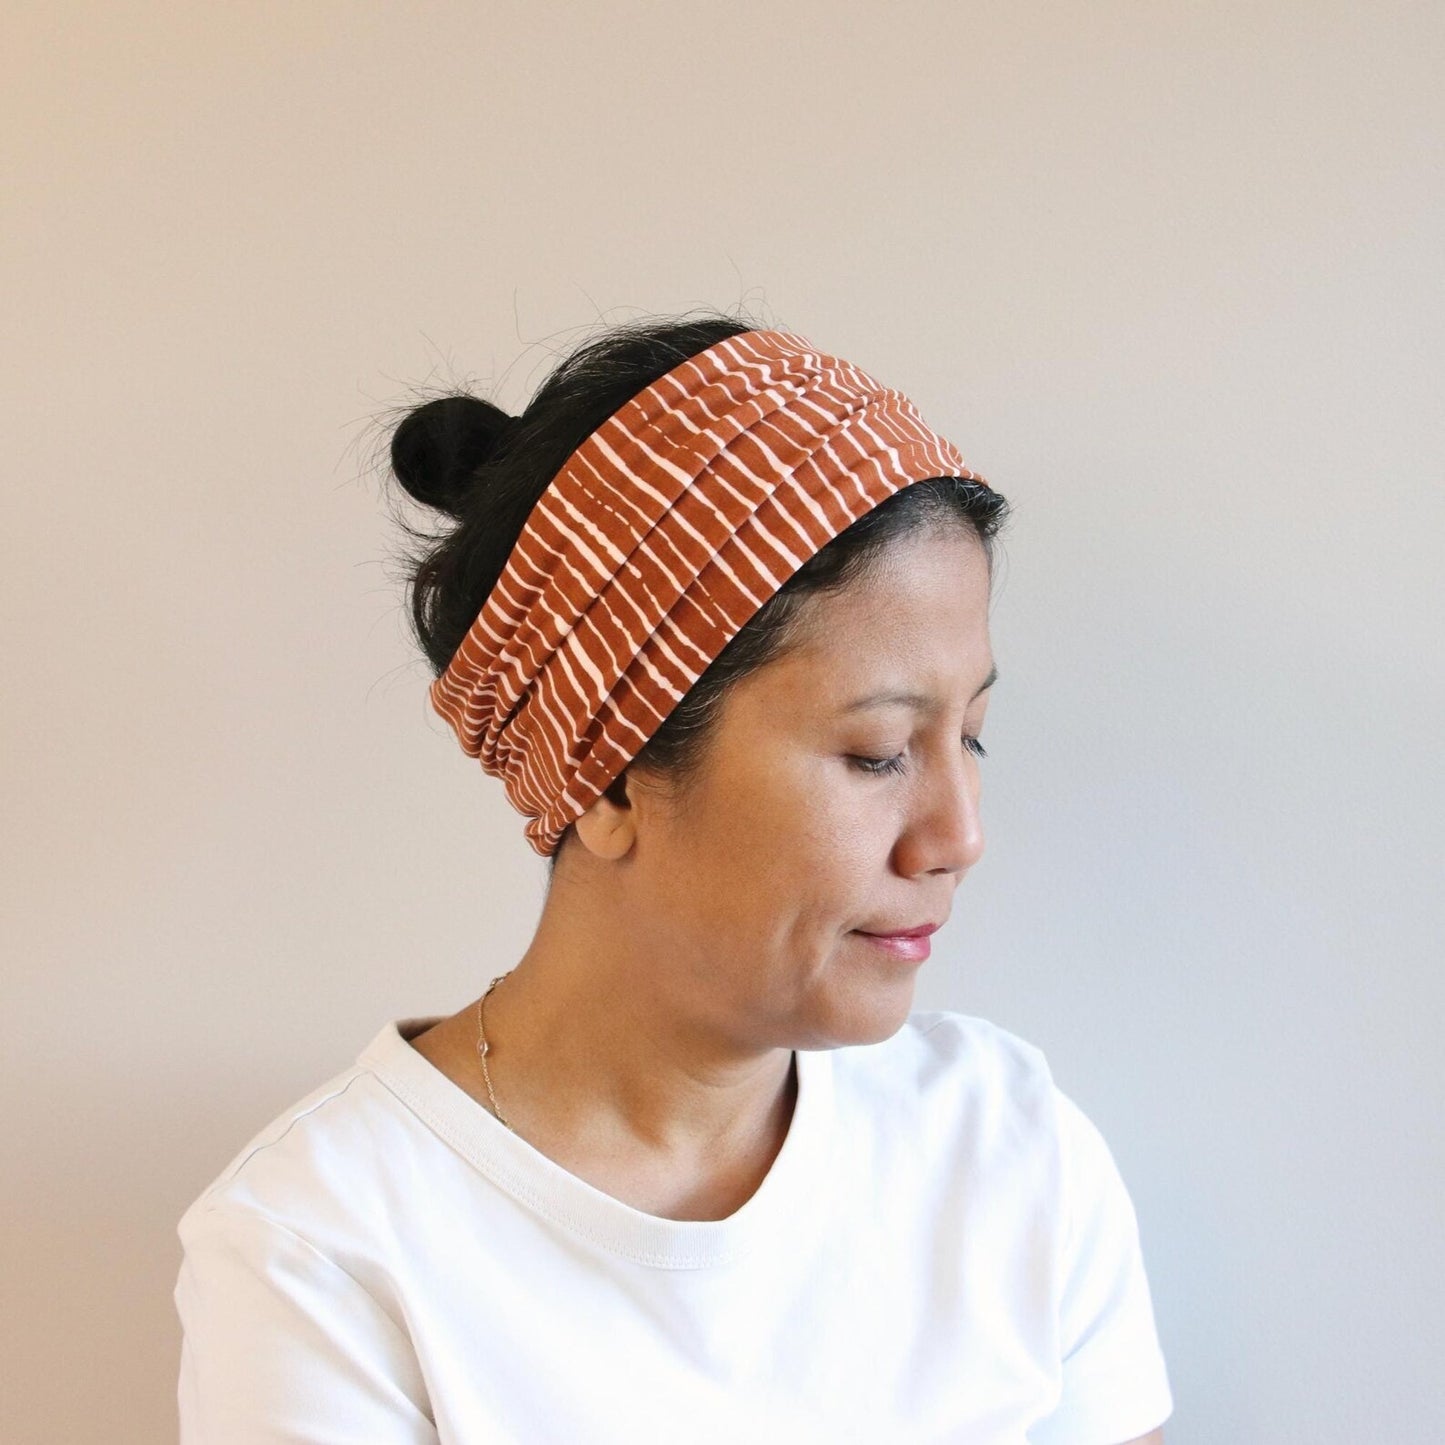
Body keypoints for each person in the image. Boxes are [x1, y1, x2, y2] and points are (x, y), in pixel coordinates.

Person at [173, 317, 1174, 1443]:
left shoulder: (1002, 1146)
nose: (956, 833)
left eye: (972, 737)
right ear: (608, 777)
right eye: (878, 752)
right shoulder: (324, 1247)